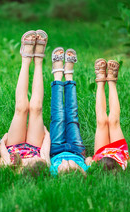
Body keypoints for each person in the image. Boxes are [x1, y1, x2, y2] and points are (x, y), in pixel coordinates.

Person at [0, 30, 51, 172]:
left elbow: (3, 154)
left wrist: (2, 143)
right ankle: (39, 61)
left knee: (21, 108)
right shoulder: (43, 167)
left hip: (13, 146)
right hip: (36, 146)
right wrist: (47, 136)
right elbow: (45, 152)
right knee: (36, 107)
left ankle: (26, 59)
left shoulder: (11, 167)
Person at [48, 47, 90, 176]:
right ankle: (69, 75)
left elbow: (48, 161)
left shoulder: (55, 173)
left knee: (58, 116)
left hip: (56, 149)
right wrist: (83, 168)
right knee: (72, 116)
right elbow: (89, 160)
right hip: (77, 149)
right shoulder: (82, 173)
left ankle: (57, 75)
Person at [90, 59, 129, 170]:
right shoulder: (123, 167)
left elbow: (88, 161)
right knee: (114, 121)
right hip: (119, 155)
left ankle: (100, 81)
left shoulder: (97, 167)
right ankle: (112, 81)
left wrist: (90, 161)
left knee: (101, 122)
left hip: (100, 158)